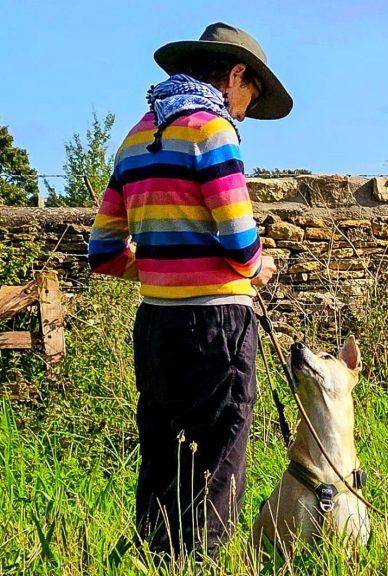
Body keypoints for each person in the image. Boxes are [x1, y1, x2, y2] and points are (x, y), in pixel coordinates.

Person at [87, 22, 292, 558]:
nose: (245, 110)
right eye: (251, 95)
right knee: (217, 463)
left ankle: (154, 559)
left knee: (162, 456)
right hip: (218, 324)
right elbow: (241, 245)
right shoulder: (213, 131)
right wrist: (259, 267)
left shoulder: (136, 136)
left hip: (156, 323)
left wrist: (163, 268)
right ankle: (200, 564)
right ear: (236, 74)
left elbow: (103, 252)